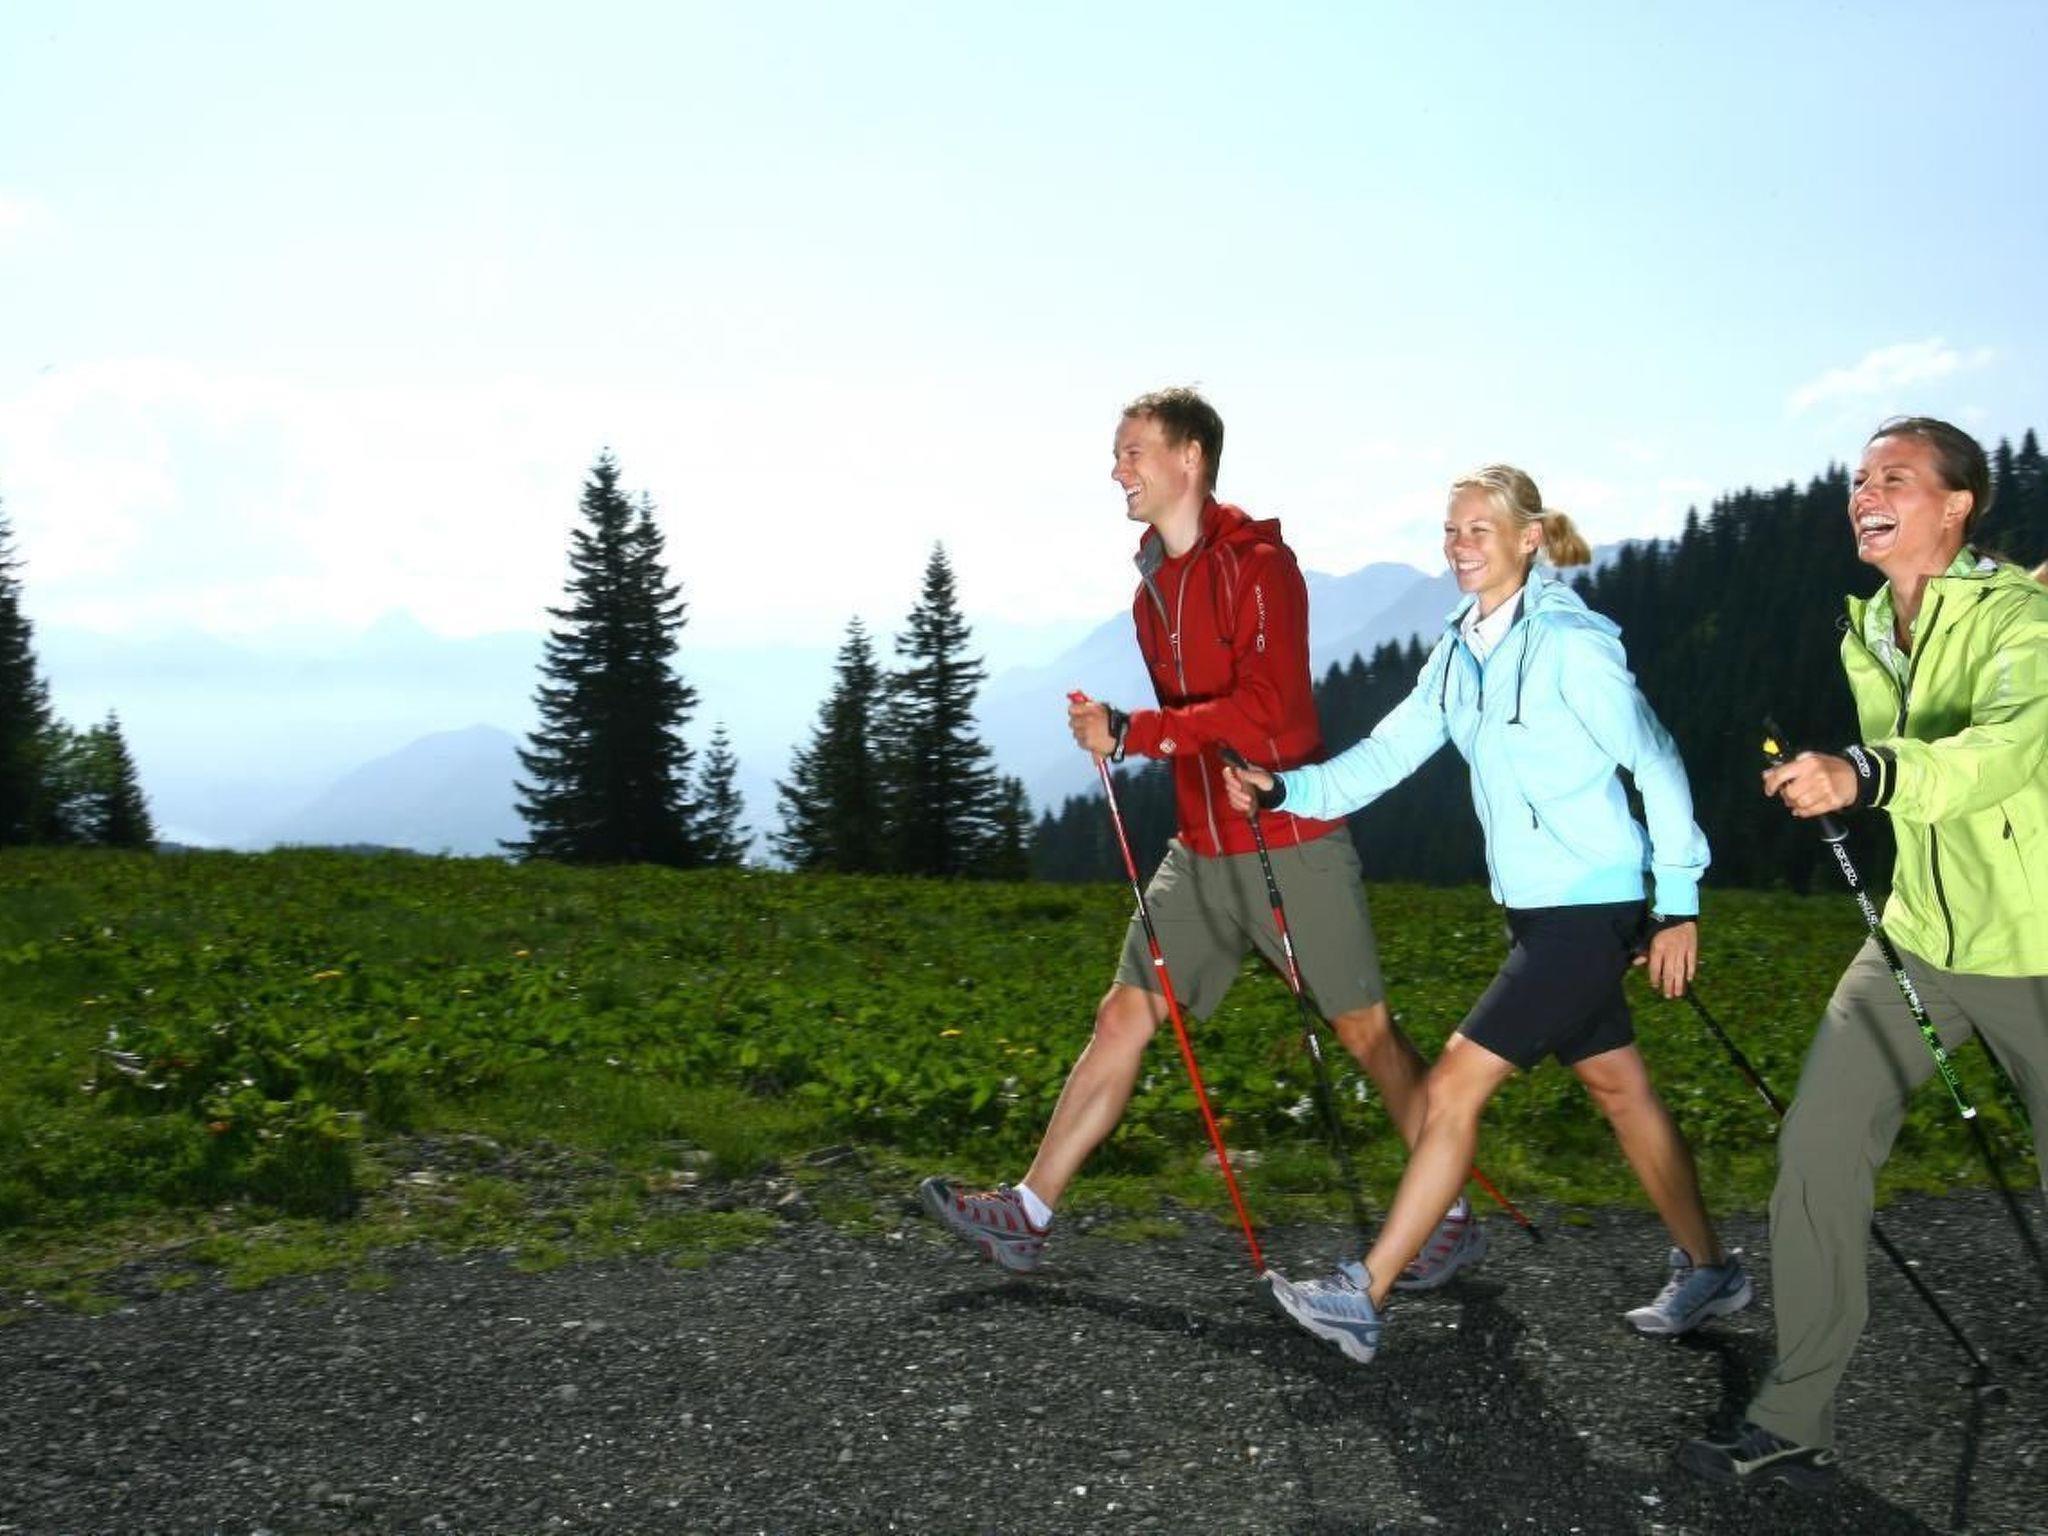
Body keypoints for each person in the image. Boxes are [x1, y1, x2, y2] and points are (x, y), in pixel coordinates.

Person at [920, 387, 1485, 1287]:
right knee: (1123, 1014)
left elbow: (1266, 711)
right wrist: (1128, 732)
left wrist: (1133, 732)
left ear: (1189, 458)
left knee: (1366, 1033)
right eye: (1117, 454)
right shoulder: (1151, 591)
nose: (1117, 470)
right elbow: (1194, 727)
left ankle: (1447, 1217)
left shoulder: (1262, 566)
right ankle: (1028, 1212)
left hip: (1289, 837)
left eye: (1132, 451)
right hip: (1200, 851)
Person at [1233, 464, 1749, 1364]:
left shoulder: (1569, 645)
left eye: (1479, 529)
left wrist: (1677, 905)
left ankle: (1364, 1294)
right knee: (1620, 1090)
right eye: (1451, 529)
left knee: (1451, 1088)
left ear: (1528, 538)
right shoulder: (1461, 650)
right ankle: (1711, 1269)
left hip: (1591, 906)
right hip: (1537, 912)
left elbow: (1657, 761)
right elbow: (1386, 754)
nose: (1459, 545)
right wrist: (1287, 791)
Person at [1681, 417, 2048, 1490]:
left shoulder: (2023, 620)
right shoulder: (1868, 630)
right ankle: (1794, 1415)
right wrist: (1842, 777)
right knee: (1816, 1151)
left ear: (1956, 504)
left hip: (2033, 944)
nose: (1864, 494)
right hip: (1915, 940)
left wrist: (1866, 773)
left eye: (1894, 477)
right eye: (1857, 479)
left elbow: (1997, 754)